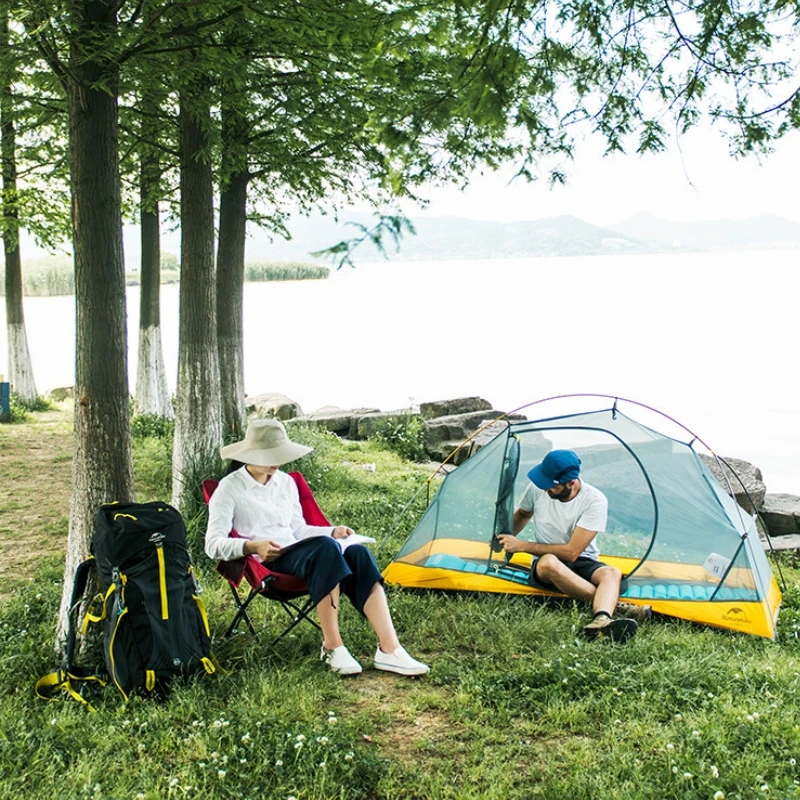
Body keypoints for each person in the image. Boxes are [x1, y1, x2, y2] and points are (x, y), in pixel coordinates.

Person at [205, 418, 429, 676]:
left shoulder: (286, 483)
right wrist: (252, 546)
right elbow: (212, 545)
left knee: (357, 552)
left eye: (280, 454)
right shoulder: (229, 488)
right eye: (269, 455)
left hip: (300, 552)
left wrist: (332, 531)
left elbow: (298, 529)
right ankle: (332, 646)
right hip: (267, 563)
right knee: (325, 549)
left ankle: (389, 649)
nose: (277, 461)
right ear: (249, 455)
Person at [496, 449, 639, 642]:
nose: (546, 489)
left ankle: (601, 621)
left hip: (581, 558)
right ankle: (612, 607)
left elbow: (572, 553)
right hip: (547, 562)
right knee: (548, 563)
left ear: (571, 483)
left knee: (612, 573)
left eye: (551, 486)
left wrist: (521, 545)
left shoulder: (594, 500)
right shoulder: (538, 487)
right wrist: (504, 536)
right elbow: (523, 514)